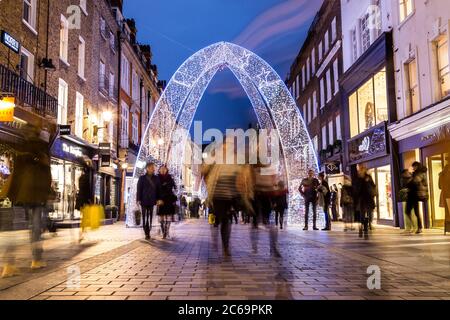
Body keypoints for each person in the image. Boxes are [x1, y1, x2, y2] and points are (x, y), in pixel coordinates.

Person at [7, 124, 52, 269]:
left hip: (20, 194)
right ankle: (36, 260)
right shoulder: (42, 148)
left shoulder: (20, 147)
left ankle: (9, 264)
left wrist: (12, 193)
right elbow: (46, 174)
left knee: (14, 228)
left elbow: (16, 173)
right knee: (36, 227)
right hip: (36, 194)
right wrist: (47, 192)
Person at [136, 162, 163, 240]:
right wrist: (138, 199)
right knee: (144, 217)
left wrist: (159, 199)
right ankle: (146, 232)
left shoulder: (156, 178)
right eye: (151, 167)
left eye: (153, 167)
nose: (153, 169)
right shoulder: (142, 178)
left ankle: (149, 230)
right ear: (147, 168)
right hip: (144, 200)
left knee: (150, 216)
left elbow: (159, 190)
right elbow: (139, 189)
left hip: (152, 200)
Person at [353, 164, 376, 239]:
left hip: (368, 198)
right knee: (362, 213)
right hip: (362, 199)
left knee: (369, 212)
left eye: (362, 169)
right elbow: (356, 189)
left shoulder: (368, 177)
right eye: (361, 169)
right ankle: (363, 225)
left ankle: (368, 224)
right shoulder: (358, 178)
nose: (361, 170)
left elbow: (373, 185)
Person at [406, 162, 428, 234]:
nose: (413, 168)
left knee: (416, 212)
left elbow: (416, 181)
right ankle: (415, 227)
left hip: (415, 194)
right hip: (412, 194)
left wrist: (410, 178)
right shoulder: (415, 173)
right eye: (413, 166)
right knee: (409, 211)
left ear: (417, 166)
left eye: (414, 166)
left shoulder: (420, 173)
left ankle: (419, 227)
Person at [76, 160, 94, 242]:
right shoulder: (86, 178)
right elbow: (88, 190)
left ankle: (83, 232)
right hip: (85, 200)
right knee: (84, 218)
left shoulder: (81, 178)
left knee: (83, 217)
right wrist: (90, 200)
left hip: (81, 199)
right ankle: (82, 233)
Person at [157, 165, 176, 239]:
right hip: (161, 199)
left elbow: (174, 187)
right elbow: (156, 188)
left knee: (168, 216)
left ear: (167, 170)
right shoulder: (157, 177)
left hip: (169, 199)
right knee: (161, 216)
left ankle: (167, 232)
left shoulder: (170, 177)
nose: (163, 170)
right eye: (161, 169)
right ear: (159, 170)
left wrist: (167, 185)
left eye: (164, 169)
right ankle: (163, 233)